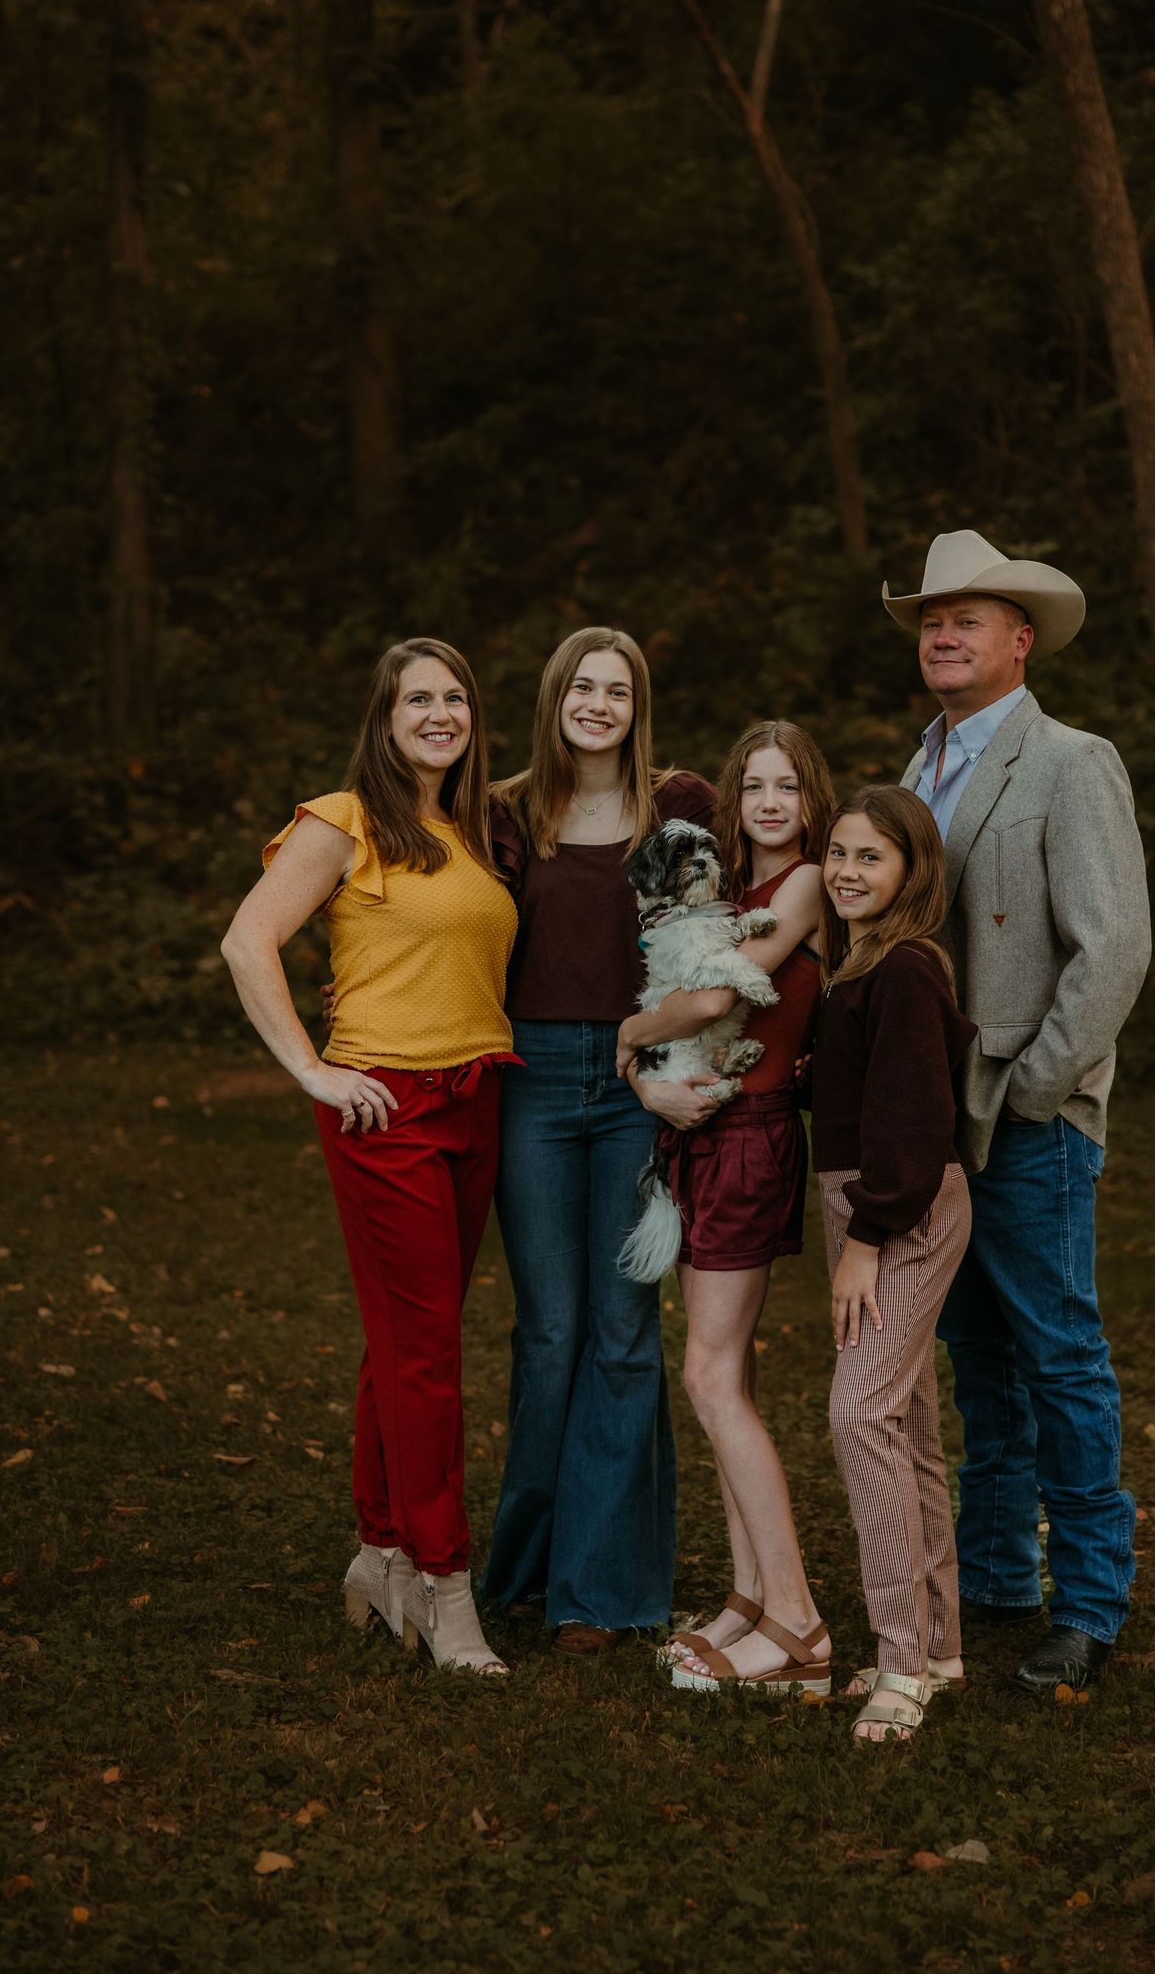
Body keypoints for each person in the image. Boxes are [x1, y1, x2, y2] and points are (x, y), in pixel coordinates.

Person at [883, 529, 1152, 1692]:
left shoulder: (1071, 763)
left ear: (1021, 639)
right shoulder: (917, 770)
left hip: (1029, 1115)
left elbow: (1114, 948)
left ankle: (1089, 1604)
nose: (944, 635)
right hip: (936, 1124)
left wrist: (1039, 1086)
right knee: (976, 1361)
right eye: (933, 621)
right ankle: (997, 1577)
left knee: (1060, 1359)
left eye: (969, 620)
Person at [221, 637, 518, 1676]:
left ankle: (380, 1548)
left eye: (455, 697)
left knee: (406, 1339)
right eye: (417, 699)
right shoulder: (344, 820)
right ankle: (445, 1583)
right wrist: (312, 1069)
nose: (440, 714)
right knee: (427, 1351)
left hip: (479, 1100)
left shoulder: (474, 828)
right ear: (385, 720)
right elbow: (247, 941)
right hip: (385, 1108)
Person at [479, 628, 714, 1653]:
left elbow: (716, 928)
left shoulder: (677, 808)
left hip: (633, 1078)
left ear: (638, 707)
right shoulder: (506, 812)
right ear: (554, 697)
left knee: (622, 1331)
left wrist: (667, 1059)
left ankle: (601, 1589)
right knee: (549, 1332)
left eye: (618, 690)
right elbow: (455, 931)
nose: (598, 704)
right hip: (528, 1078)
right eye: (582, 686)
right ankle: (525, 1570)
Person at [613, 722, 833, 1693]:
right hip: (707, 1132)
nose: (771, 804)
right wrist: (641, 1076)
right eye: (754, 788)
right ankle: (749, 1598)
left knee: (708, 1376)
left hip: (750, 1137)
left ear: (813, 799)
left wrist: (623, 1034)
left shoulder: (806, 884)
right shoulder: (733, 891)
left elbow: (707, 1004)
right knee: (724, 1372)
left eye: (789, 787)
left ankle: (798, 1623)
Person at [811, 787, 978, 1743]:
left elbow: (915, 1120)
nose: (846, 871)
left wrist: (867, 1240)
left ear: (913, 871)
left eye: (870, 857)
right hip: (867, 1200)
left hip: (900, 1209)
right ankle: (940, 1647)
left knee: (860, 1413)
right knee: (907, 1422)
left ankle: (901, 1664)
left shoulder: (907, 967)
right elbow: (859, 1088)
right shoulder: (860, 965)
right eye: (838, 852)